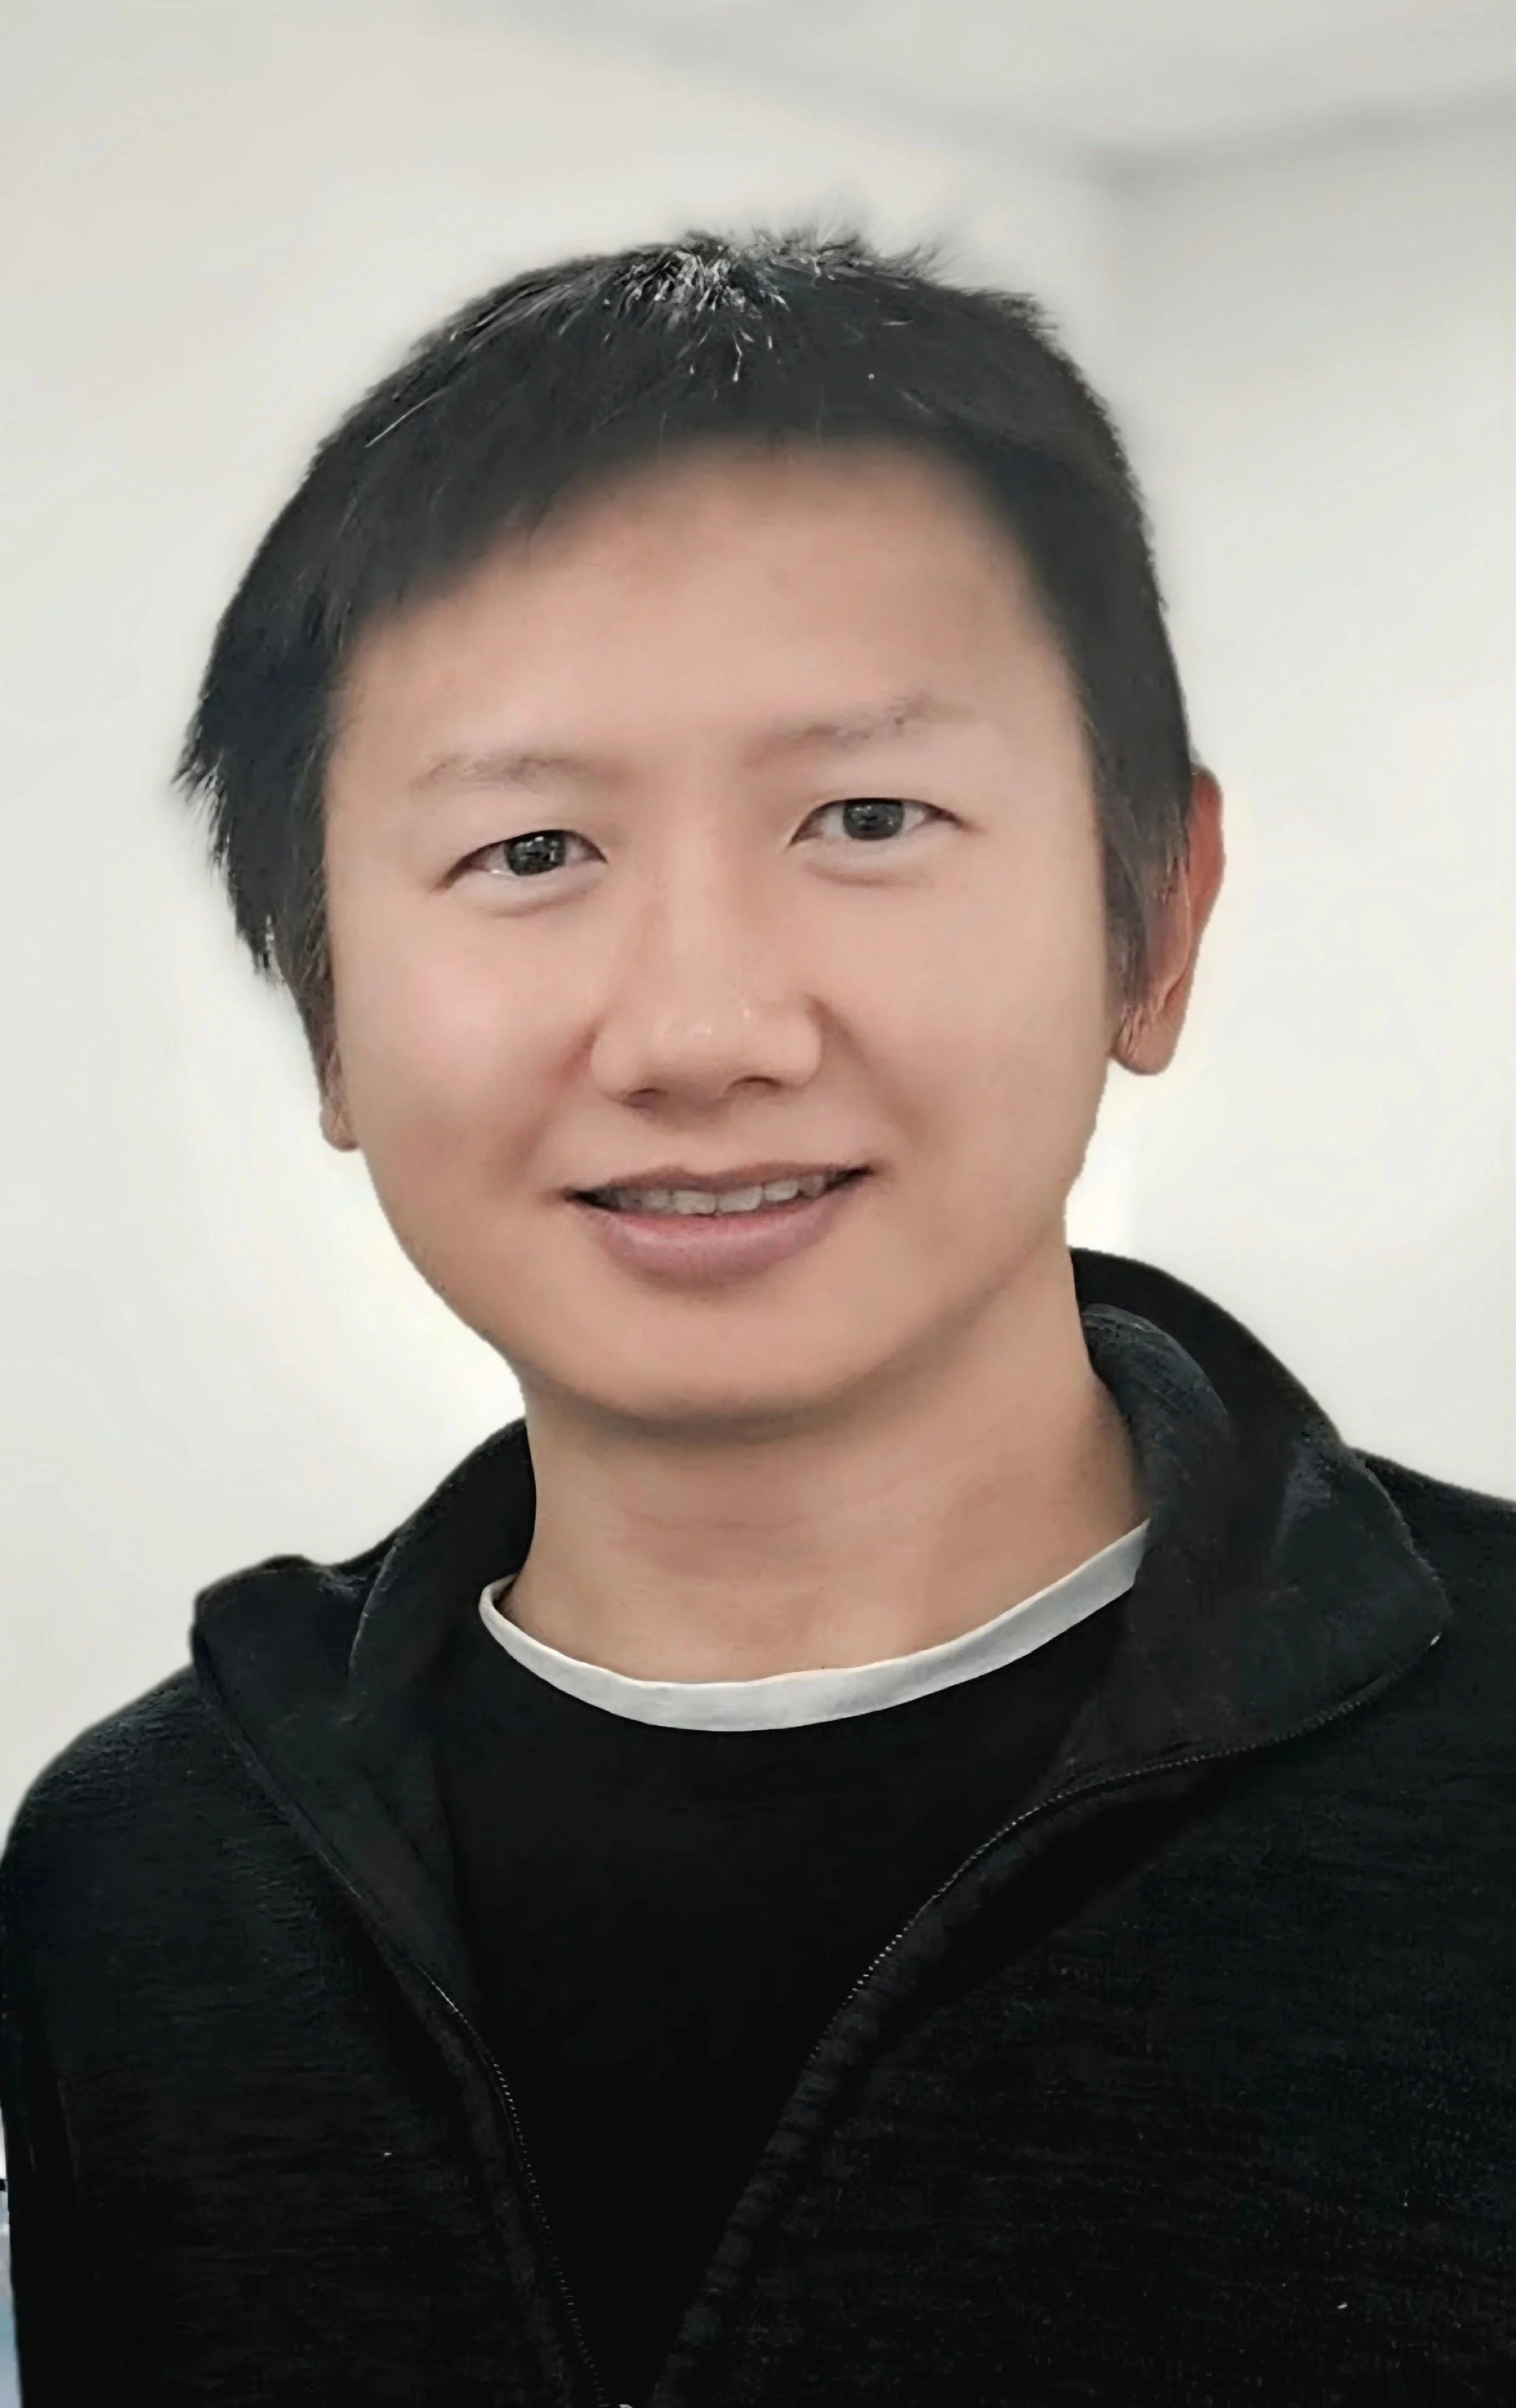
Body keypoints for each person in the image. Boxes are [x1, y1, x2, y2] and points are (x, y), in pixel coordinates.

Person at [0, 224, 1511, 2408]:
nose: (700, 1026)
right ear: (320, 1004)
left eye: (867, 814)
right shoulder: (137, 1879)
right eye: (526, 852)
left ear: (1153, 923)